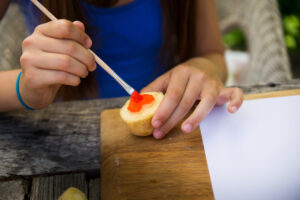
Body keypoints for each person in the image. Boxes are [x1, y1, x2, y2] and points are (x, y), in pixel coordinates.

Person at [0, 0, 243, 139]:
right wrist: (24, 89)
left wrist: (203, 67)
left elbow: (212, 54)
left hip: (167, 132)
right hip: (59, 137)